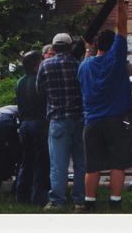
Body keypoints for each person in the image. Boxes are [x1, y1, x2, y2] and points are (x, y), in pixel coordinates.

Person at [78, 0, 132, 211]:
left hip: (91, 121)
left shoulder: (84, 66)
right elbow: (122, 28)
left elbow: (87, 59)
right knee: (118, 163)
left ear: (96, 46)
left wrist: (86, 49)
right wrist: (120, 3)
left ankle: (89, 203)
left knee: (92, 166)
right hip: (116, 120)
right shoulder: (115, 58)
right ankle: (115, 202)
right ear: (112, 46)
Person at [37, 34, 85, 210]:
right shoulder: (78, 65)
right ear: (70, 47)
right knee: (81, 163)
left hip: (57, 119)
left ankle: (57, 200)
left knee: (58, 164)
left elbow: (39, 89)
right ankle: (80, 200)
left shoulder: (45, 65)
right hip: (79, 119)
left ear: (54, 47)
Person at [14, 50, 49, 205]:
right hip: (39, 124)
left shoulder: (20, 82)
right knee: (41, 161)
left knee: (26, 160)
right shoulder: (41, 81)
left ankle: (21, 195)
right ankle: (38, 196)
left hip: (24, 125)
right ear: (37, 64)